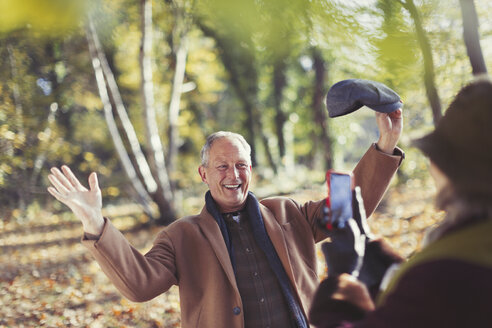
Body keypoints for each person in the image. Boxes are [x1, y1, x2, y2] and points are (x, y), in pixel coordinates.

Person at [47, 110, 403, 328]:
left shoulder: (287, 212)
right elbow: (140, 285)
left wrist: (384, 147)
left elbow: (348, 209)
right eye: (222, 166)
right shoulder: (181, 235)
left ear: (251, 170)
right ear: (204, 174)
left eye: (241, 165)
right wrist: (95, 223)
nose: (233, 174)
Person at [308, 77, 492, 328]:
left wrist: (340, 280)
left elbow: (429, 294)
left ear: (450, 166)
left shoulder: (443, 276)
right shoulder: (469, 249)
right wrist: (370, 249)